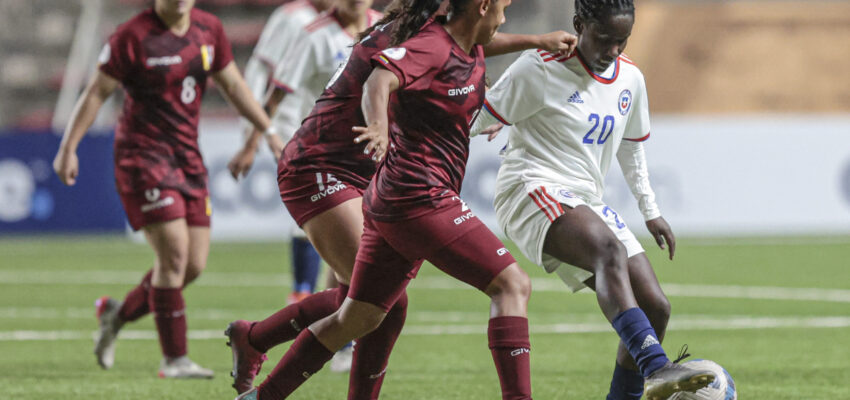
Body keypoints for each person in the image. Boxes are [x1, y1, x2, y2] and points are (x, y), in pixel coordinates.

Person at [224, 0, 577, 397]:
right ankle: (256, 342)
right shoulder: (420, 39)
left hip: (374, 172)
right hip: (323, 164)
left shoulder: (431, 33)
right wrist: (378, 125)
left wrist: (532, 44)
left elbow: (473, 42)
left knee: (365, 308)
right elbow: (406, 68)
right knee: (386, 306)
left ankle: (255, 347)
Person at [469, 1, 716, 399]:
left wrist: (650, 211)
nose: (613, 50)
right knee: (608, 251)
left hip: (584, 196)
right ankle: (657, 368)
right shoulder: (539, 67)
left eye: (621, 41)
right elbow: (475, 118)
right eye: (603, 39)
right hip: (530, 186)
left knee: (656, 307)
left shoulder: (630, 79)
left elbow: (631, 149)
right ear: (579, 24)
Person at [52, 0, 274, 379]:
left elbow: (233, 84)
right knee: (173, 255)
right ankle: (174, 359)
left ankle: (117, 314)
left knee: (192, 265)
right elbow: (95, 93)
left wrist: (267, 132)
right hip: (142, 157)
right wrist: (68, 147)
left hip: (188, 156)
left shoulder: (209, 30)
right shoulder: (132, 37)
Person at [232, 0, 335, 329]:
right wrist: (257, 129)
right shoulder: (292, 19)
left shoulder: (345, 21)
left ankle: (312, 297)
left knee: (329, 210)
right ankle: (304, 295)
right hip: (289, 125)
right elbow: (260, 69)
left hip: (327, 127)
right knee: (317, 205)